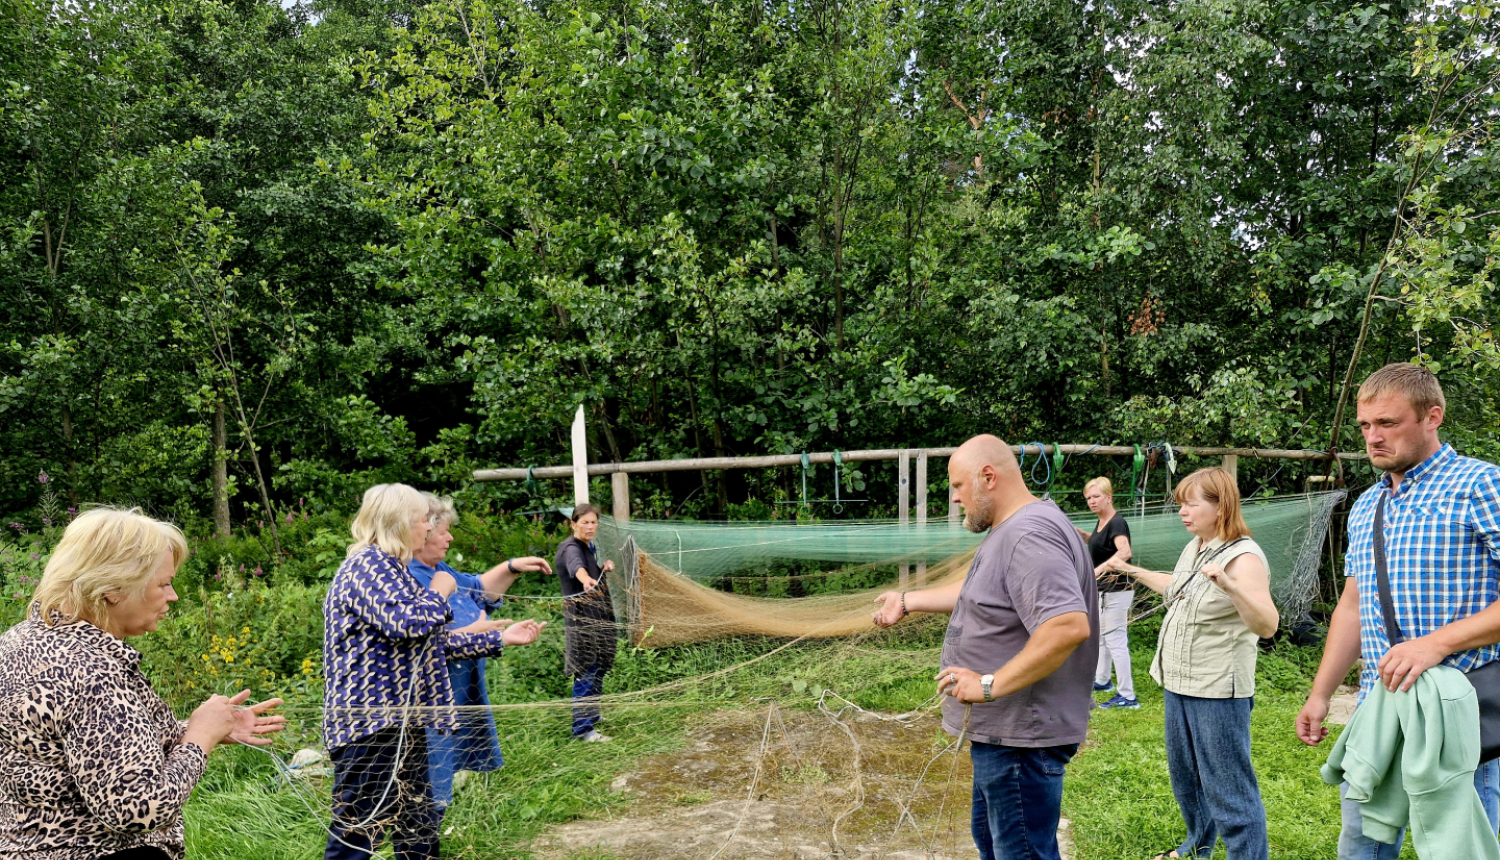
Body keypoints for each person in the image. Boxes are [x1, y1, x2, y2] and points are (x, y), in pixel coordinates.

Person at [1294, 362, 1500, 859]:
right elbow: (1353, 606)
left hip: (1459, 713)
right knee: (1362, 846)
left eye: (1388, 423)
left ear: (1433, 416)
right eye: (1365, 426)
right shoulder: (1367, 505)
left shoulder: (1483, 486)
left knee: (1462, 850)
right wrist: (1321, 693)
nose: (1373, 438)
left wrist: (1437, 643)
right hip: (1378, 710)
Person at [0, 507, 284, 860]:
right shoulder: (92, 673)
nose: (174, 595)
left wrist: (201, 727)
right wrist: (200, 739)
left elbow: (92, 745)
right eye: (164, 583)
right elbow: (137, 810)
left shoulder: (21, 640)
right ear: (114, 588)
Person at [871, 434, 1098, 860]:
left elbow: (1066, 626)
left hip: (1021, 740)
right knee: (993, 843)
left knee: (1021, 853)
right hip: (1004, 735)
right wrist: (908, 601)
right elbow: (983, 589)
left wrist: (990, 684)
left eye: (958, 487)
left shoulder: (1028, 535)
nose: (954, 498)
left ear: (988, 477)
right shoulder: (1016, 527)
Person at [323, 484, 544, 860]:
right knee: (357, 839)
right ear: (399, 523)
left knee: (418, 826)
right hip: (370, 729)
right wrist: (441, 588)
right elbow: (408, 623)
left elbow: (430, 643)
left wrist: (500, 640)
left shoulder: (393, 569)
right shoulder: (367, 565)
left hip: (402, 724)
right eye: (423, 520)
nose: (429, 528)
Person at [1103, 467, 1278, 860]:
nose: (1182, 512)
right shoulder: (1196, 546)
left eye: (1191, 504)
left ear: (1221, 507)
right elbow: (1176, 587)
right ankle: (1198, 847)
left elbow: (1267, 625)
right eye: (1180, 504)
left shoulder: (1243, 557)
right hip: (1178, 683)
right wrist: (1131, 569)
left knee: (1229, 789)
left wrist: (1231, 587)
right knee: (1187, 781)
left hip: (1216, 690)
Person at [407, 494, 552, 810]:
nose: (450, 537)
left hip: (458, 697)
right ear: (423, 531)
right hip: (428, 704)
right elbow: (420, 642)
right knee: (427, 789)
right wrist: (480, 633)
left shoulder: (440, 568)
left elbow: (478, 588)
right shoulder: (408, 577)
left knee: (439, 784)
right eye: (443, 531)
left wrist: (512, 567)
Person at [555, 503, 619, 743]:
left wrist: (603, 569)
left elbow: (588, 567)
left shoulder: (587, 547)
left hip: (598, 619)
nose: (590, 526)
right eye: (585, 522)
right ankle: (582, 730)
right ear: (573, 524)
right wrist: (585, 580)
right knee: (585, 671)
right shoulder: (570, 548)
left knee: (599, 667)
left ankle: (591, 716)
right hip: (582, 622)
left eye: (594, 522)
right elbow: (577, 568)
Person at [1077, 476, 1136, 709]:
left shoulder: (1116, 522)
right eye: (1088, 498)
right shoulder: (1102, 522)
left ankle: (1128, 696)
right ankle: (1102, 680)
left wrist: (1099, 569)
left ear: (1109, 497)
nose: (1092, 501)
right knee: (1101, 638)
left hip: (1118, 589)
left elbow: (1124, 551)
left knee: (1115, 639)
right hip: (1104, 590)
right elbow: (1102, 544)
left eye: (1096, 497)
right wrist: (1082, 536)